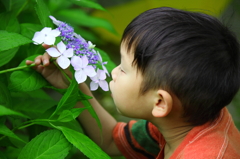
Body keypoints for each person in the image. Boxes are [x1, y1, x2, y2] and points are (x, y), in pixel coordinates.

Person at [26, 7, 240, 159]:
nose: (114, 71)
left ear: (159, 103)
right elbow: (111, 140)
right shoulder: (185, 118)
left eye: (124, 69)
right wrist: (71, 85)